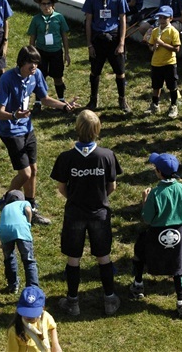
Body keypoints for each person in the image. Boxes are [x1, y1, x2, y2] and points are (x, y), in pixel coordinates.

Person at [0, 46, 78, 226]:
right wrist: (14, 116)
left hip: (28, 129)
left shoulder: (36, 75)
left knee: (33, 170)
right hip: (11, 131)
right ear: (21, 63)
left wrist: (64, 106)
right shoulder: (7, 79)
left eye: (36, 63)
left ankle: (31, 210)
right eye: (30, 63)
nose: (34, 67)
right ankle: (5, 202)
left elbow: (45, 99)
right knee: (25, 174)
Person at [51, 110, 121, 317]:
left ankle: (73, 302)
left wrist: (74, 198)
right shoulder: (107, 156)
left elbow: (61, 187)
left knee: (73, 258)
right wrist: (100, 198)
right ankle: (109, 299)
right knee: (104, 257)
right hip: (100, 213)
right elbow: (113, 186)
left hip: (74, 214)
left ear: (77, 128)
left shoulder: (66, 157)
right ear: (97, 130)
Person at [129, 152, 182, 318]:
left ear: (158, 172)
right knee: (178, 268)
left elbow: (148, 218)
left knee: (139, 253)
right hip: (177, 236)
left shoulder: (155, 193)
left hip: (156, 235)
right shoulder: (181, 188)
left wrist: (145, 200)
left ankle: (138, 285)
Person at [83, 0, 130, 112]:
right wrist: (89, 44)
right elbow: (88, 21)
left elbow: (123, 20)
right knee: (95, 71)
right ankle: (93, 100)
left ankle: (122, 100)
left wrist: (121, 43)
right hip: (98, 37)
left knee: (120, 71)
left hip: (114, 37)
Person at [27, 0, 70, 115]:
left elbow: (64, 36)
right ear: (40, 5)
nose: (46, 6)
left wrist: (66, 53)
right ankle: (38, 102)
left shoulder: (59, 18)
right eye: (43, 4)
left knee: (58, 76)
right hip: (41, 52)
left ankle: (61, 100)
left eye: (48, 4)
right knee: (40, 77)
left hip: (56, 51)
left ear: (53, 5)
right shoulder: (36, 19)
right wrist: (31, 54)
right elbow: (32, 37)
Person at [0, 190, 38, 295]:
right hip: (21, 230)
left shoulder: (5, 208)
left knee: (9, 257)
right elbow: (28, 211)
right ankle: (32, 288)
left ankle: (13, 285)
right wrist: (28, 223)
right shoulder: (24, 203)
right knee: (29, 261)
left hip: (4, 232)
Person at [145, 6, 181, 118]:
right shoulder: (156, 31)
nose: (161, 20)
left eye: (164, 17)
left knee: (172, 86)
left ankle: (173, 106)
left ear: (170, 18)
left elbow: (177, 48)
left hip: (169, 62)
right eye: (160, 17)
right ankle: (155, 104)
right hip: (156, 62)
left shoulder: (173, 32)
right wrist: (153, 47)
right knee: (156, 86)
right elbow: (150, 46)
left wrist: (163, 44)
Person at [6, 286, 62, 352]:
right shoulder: (14, 331)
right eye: (25, 312)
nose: (28, 317)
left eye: (33, 313)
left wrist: (55, 344)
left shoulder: (45, 316)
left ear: (43, 308)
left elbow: (52, 327)